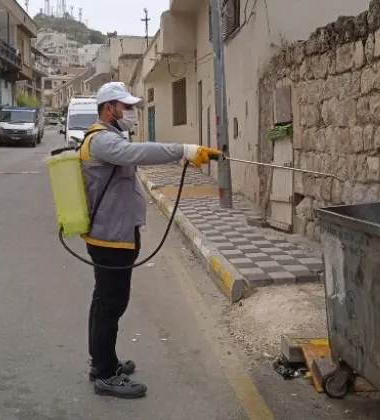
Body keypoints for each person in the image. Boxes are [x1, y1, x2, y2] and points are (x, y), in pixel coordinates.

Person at [78, 81, 220, 399]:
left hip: (118, 234)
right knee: (110, 304)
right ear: (108, 108)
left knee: (106, 301)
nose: (130, 112)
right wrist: (184, 150)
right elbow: (137, 153)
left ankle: (104, 360)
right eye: (125, 106)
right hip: (110, 238)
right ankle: (105, 374)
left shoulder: (110, 137)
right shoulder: (101, 140)